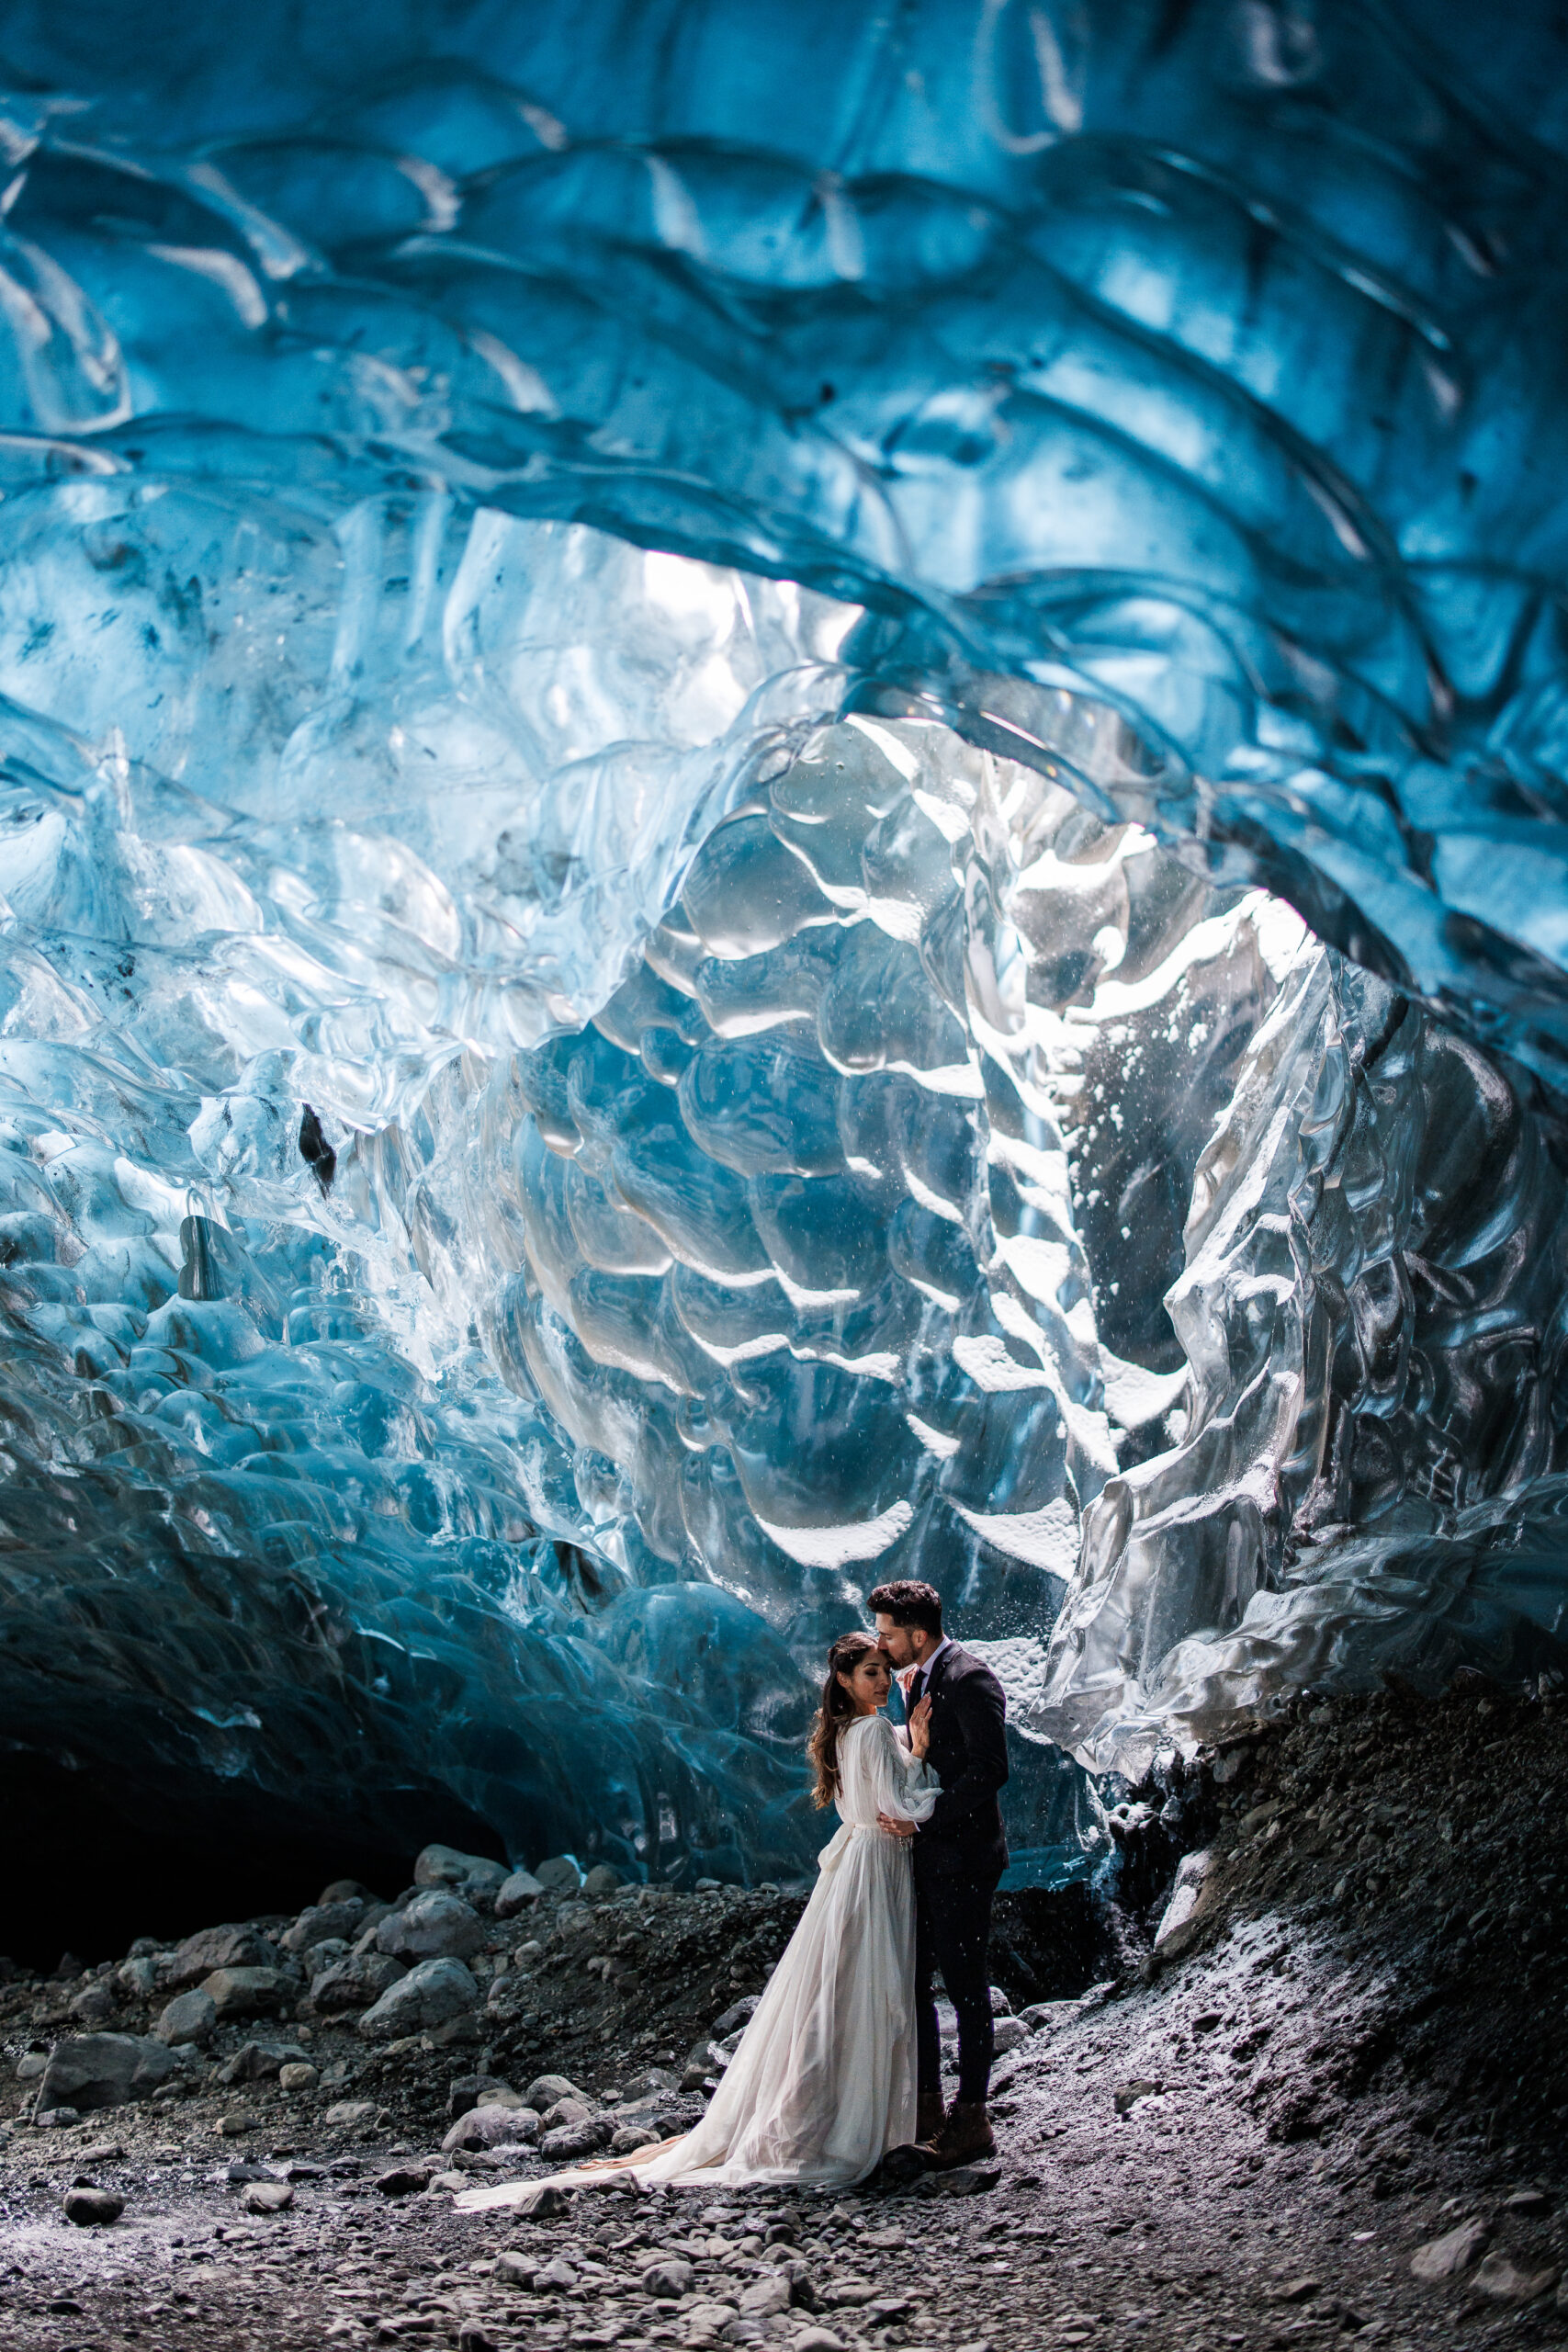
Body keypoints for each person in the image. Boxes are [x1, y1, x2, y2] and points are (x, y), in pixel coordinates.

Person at [456, 1630, 939, 2204]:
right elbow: (899, 1806)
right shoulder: (874, 1731)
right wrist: (922, 1748)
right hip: (877, 1862)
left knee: (839, 1988)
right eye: (871, 1673)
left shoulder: (843, 1733)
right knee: (869, 1986)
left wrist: (904, 1745)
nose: (883, 1681)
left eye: (886, 1670)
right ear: (843, 1679)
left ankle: (832, 2110)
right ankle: (861, 2121)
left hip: (853, 1864)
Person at [868, 1577, 1008, 2167]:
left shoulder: (969, 1679)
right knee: (917, 1982)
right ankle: (927, 2112)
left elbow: (990, 1771)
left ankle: (972, 2121)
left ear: (918, 1634)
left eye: (888, 1635)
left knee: (967, 1990)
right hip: (930, 1860)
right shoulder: (920, 1678)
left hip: (964, 1860)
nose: (882, 1646)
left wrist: (924, 1822)